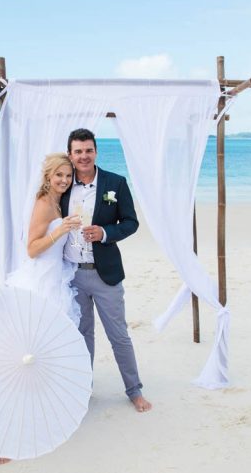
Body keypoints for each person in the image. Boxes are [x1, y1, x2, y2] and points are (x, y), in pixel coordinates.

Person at [0, 153, 81, 467]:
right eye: (59, 176)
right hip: (39, 286)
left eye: (68, 176)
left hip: (54, 283)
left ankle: (29, 418)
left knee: (36, 358)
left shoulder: (57, 202)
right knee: (19, 360)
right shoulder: (43, 203)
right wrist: (60, 230)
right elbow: (32, 249)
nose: (64, 181)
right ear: (48, 177)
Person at [61, 128, 152, 413]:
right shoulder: (63, 185)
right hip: (71, 274)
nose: (83, 156)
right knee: (81, 335)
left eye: (88, 150)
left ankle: (134, 390)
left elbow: (131, 222)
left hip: (106, 274)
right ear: (70, 155)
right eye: (78, 151)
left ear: (96, 151)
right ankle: (83, 389)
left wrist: (104, 232)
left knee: (118, 335)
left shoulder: (115, 182)